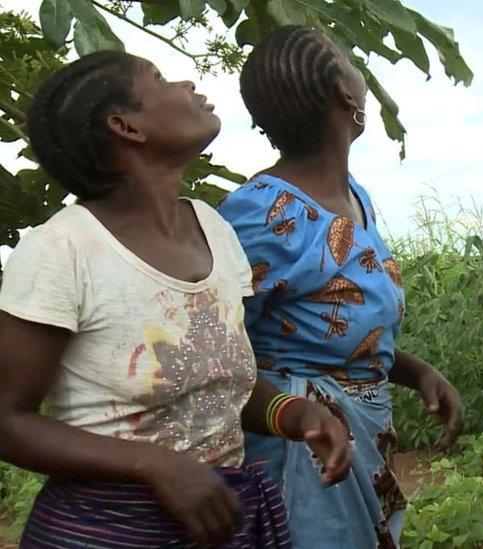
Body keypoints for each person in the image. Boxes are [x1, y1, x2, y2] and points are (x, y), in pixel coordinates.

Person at [0, 51, 351, 548]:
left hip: (216, 521)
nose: (187, 82)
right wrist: (152, 464)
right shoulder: (64, 251)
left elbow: (218, 383)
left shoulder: (214, 229)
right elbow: (7, 421)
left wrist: (294, 415)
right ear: (126, 126)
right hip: (107, 530)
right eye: (161, 79)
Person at [218, 26, 464, 548]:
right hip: (300, 457)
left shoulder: (355, 198)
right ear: (345, 94)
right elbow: (214, 359)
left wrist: (416, 371)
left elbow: (331, 333)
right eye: (350, 60)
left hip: (360, 443)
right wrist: (295, 414)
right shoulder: (260, 216)